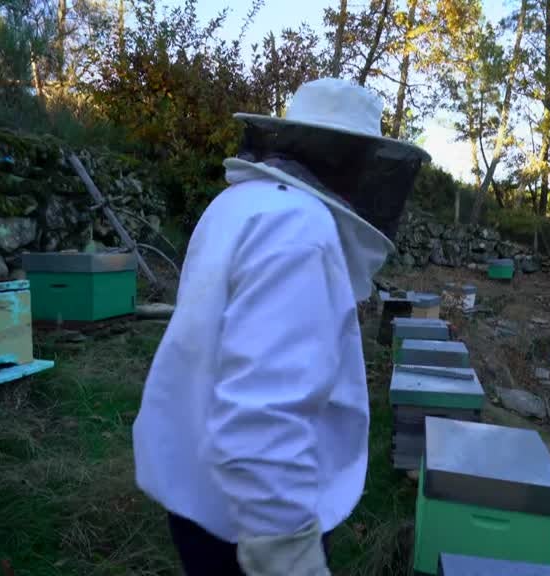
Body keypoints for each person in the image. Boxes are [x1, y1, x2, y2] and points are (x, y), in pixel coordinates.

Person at [132, 78, 431, 576]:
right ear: (356, 161)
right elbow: (264, 412)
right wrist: (290, 556)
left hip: (200, 491)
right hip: (253, 525)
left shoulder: (237, 203)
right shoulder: (300, 231)